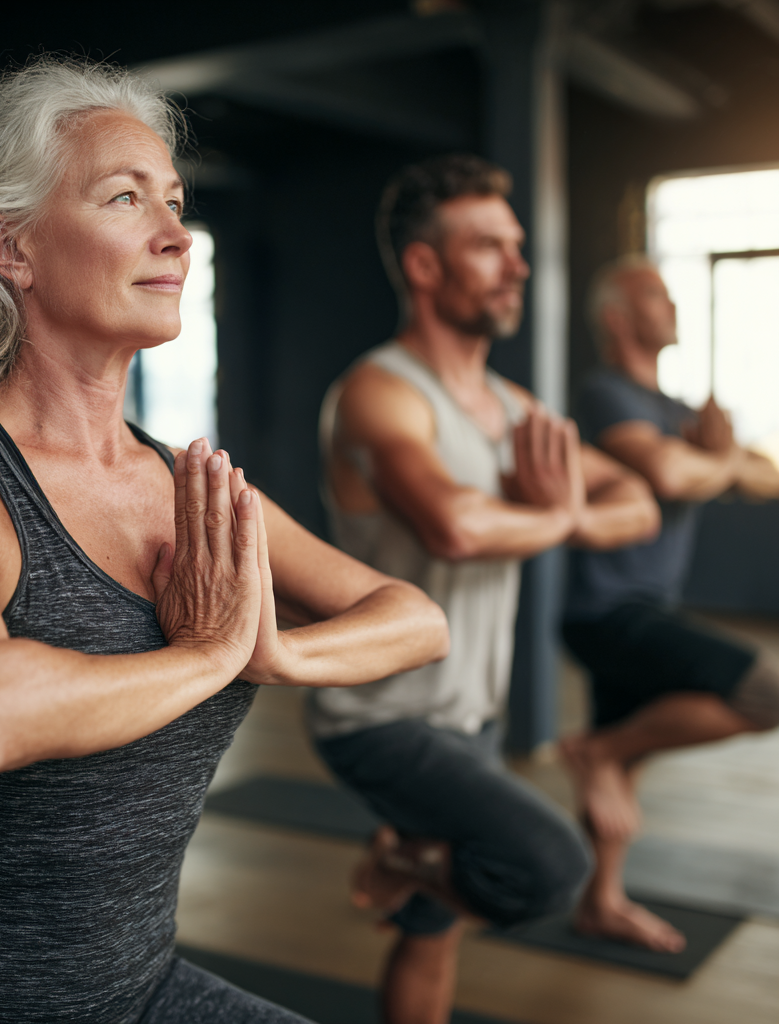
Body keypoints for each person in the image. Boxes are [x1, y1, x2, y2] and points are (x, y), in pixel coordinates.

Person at [0, 57, 449, 1024]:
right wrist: (207, 655)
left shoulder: (180, 483)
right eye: (125, 198)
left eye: (176, 202)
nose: (174, 236)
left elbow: (414, 617)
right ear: (11, 248)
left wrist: (271, 652)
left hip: (137, 988)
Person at [311, 155, 661, 1024]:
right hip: (383, 714)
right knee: (550, 867)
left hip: (473, 711)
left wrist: (560, 511)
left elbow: (640, 503)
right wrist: (565, 513)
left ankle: (410, 865)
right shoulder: (380, 394)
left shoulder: (510, 408)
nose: (519, 265)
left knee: (433, 933)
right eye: (489, 247)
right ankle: (407, 861)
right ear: (426, 267)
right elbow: (456, 527)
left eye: (517, 245)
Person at [560, 255, 779, 952]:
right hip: (606, 610)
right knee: (767, 692)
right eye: (656, 294)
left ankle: (601, 899)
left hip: (642, 604)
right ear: (618, 318)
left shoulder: (678, 413)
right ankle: (597, 750)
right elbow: (668, 475)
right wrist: (713, 462)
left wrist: (711, 455)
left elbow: (766, 475)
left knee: (626, 769)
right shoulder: (607, 394)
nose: (674, 305)